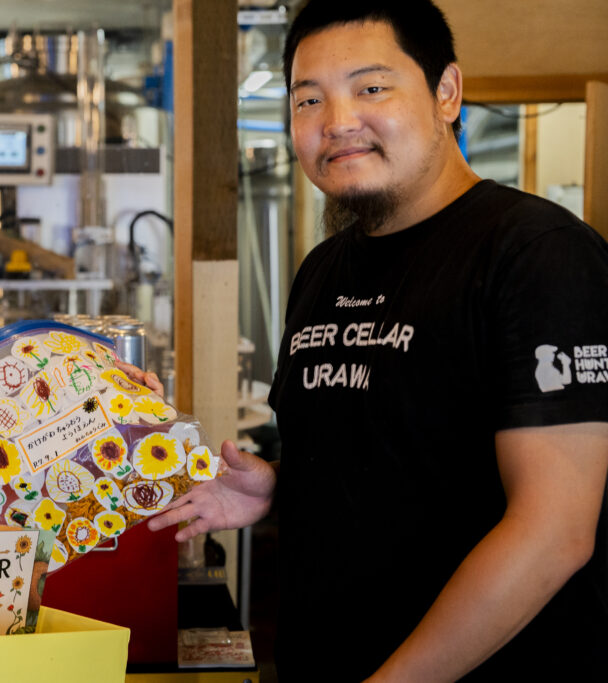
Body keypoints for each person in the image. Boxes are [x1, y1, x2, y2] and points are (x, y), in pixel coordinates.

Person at [150, 1, 608, 680]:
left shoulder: (537, 253)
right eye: (309, 99)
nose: (337, 121)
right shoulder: (323, 270)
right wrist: (280, 486)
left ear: (446, 92)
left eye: (370, 87)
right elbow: (398, 459)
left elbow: (554, 530)